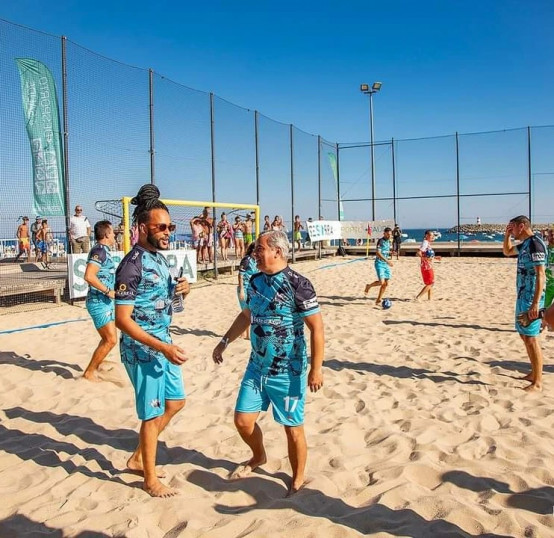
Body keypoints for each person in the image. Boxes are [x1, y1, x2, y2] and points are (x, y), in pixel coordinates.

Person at [212, 230, 324, 495]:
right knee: (243, 421)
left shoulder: (299, 284)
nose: (255, 253)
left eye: (260, 249)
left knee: (292, 429)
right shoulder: (255, 281)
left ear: (277, 251)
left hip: (288, 372)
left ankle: (297, 478)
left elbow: (316, 328)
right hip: (256, 367)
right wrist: (225, 341)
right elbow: (247, 315)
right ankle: (258, 456)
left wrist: (316, 369)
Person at [115, 184, 191, 497]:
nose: (167, 232)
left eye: (170, 227)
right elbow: (122, 320)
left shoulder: (159, 259)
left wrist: (183, 290)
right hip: (143, 349)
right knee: (152, 413)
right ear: (143, 228)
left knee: (176, 402)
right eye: (161, 227)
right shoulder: (131, 265)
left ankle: (138, 458)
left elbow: (166, 302)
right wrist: (162, 347)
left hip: (164, 342)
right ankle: (149, 480)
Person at [503, 215, 546, 392]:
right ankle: (533, 373)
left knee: (531, 338)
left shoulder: (535, 244)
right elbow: (507, 251)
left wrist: (535, 303)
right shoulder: (525, 244)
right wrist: (506, 236)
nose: (511, 230)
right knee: (524, 335)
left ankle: (538, 382)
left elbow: (541, 274)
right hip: (522, 297)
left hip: (531, 299)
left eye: (512, 227)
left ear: (522, 226)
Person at [83, 220, 117, 382]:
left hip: (104, 301)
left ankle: (96, 366)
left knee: (108, 339)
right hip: (98, 301)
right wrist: (108, 291)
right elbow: (89, 276)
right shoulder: (99, 251)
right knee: (110, 340)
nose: (115, 235)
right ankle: (89, 372)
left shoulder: (104, 251)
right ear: (107, 234)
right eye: (113, 232)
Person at [364, 227, 393, 306]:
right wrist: (387, 261)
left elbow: (385, 251)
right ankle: (369, 286)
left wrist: (391, 253)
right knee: (381, 282)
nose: (389, 236)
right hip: (379, 263)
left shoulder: (389, 241)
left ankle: (378, 300)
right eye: (387, 234)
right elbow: (378, 253)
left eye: (390, 234)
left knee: (386, 284)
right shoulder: (381, 241)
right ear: (384, 233)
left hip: (385, 264)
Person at [237, 242, 257, 340]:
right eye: (256, 250)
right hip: (244, 288)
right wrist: (241, 290)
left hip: (252, 289)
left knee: (250, 310)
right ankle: (245, 334)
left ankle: (246, 334)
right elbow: (240, 275)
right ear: (252, 250)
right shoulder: (246, 260)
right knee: (246, 311)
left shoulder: (255, 260)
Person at [415, 230, 441, 301]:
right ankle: (418, 297)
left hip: (427, 264)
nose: (432, 237)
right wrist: (423, 258)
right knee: (431, 283)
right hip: (426, 265)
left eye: (433, 235)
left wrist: (435, 257)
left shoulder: (427, 243)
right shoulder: (425, 243)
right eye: (431, 235)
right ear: (426, 236)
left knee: (430, 282)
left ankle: (430, 298)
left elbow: (427, 255)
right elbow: (418, 253)